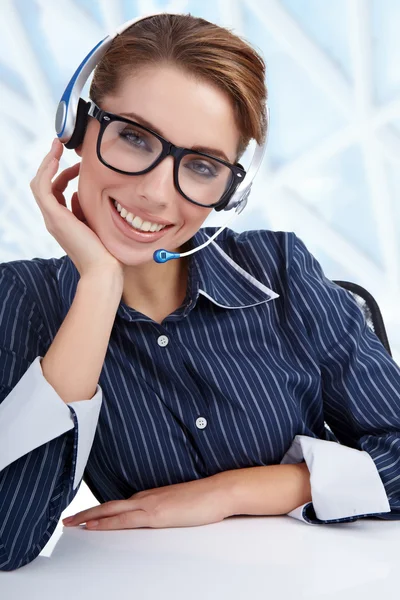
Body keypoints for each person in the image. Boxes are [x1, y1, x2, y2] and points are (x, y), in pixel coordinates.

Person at [0, 13, 399, 572]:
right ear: (77, 130)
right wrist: (98, 284)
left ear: (230, 188)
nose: (158, 193)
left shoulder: (279, 269)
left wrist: (233, 492)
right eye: (135, 137)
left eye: (203, 165)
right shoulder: (22, 298)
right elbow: (6, 538)